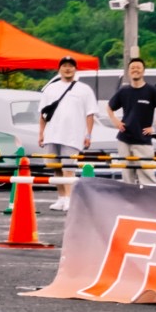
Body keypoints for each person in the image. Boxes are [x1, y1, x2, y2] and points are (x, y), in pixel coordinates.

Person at [38, 54, 95, 211]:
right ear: (59, 69)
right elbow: (43, 113)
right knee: (55, 167)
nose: (68, 68)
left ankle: (70, 199)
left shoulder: (84, 89)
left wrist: (88, 134)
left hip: (72, 136)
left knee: (68, 168)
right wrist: (41, 133)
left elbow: (90, 114)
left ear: (75, 69)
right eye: (64, 66)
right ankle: (61, 198)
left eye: (71, 66)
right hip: (52, 134)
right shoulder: (50, 88)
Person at [102, 57, 156, 187]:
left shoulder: (152, 90)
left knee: (147, 173)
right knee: (127, 175)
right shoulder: (124, 90)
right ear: (128, 72)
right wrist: (116, 121)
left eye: (138, 68)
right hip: (124, 139)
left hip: (143, 140)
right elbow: (109, 107)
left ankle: (150, 202)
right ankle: (129, 203)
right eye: (132, 68)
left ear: (143, 71)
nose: (135, 70)